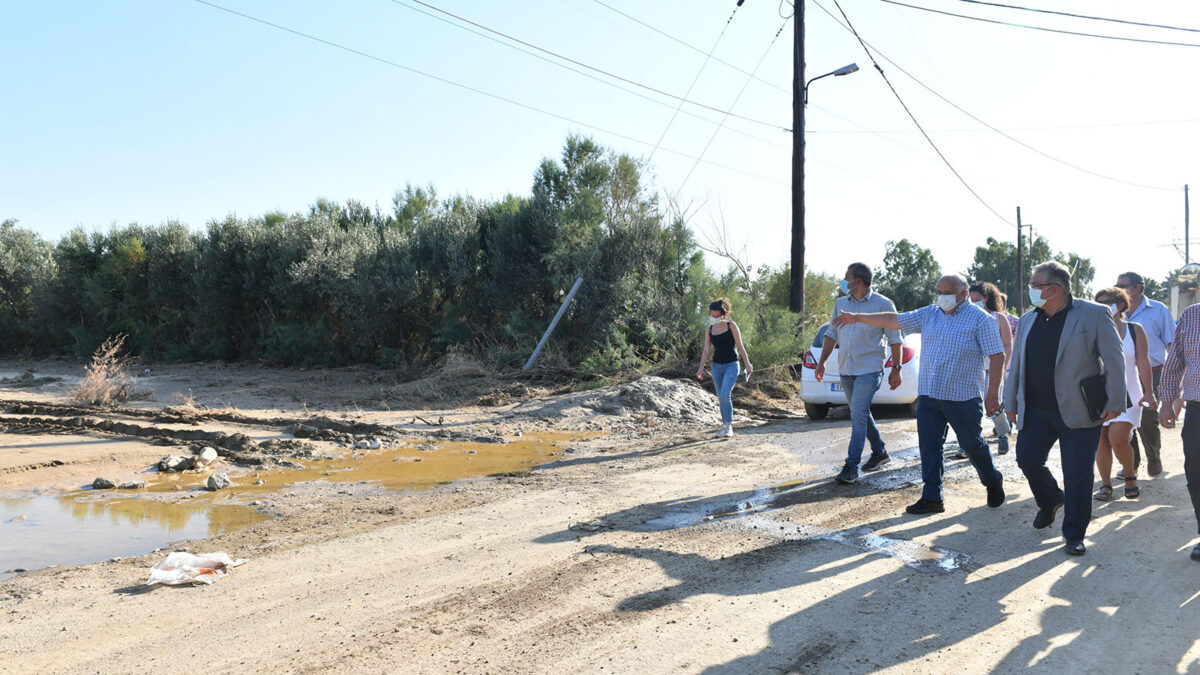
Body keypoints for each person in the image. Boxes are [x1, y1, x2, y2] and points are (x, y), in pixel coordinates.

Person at [832, 274, 1006, 514]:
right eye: (940, 291)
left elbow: (997, 356)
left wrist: (993, 395)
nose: (942, 296)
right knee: (930, 446)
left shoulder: (981, 320)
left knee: (972, 444)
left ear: (963, 294)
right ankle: (932, 496)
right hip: (929, 394)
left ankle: (992, 479)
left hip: (963, 397)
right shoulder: (930, 313)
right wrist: (858, 317)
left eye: (948, 292)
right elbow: (895, 320)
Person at [1004, 262, 1125, 556]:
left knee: (1078, 475)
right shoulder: (1030, 318)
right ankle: (1050, 500)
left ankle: (1074, 533)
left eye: (1036, 286)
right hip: (1036, 409)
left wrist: (1115, 402)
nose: (1031, 291)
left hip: (1080, 408)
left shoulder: (1094, 314)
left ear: (1054, 289)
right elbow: (1016, 363)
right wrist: (1010, 401)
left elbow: (1114, 360)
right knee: (1027, 459)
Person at [815, 263, 903, 484]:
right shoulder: (841, 303)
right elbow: (831, 335)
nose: (844, 281)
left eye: (847, 277)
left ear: (859, 280)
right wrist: (821, 363)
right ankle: (880, 452)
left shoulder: (883, 304)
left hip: (870, 370)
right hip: (846, 369)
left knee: (857, 415)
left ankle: (851, 466)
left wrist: (896, 369)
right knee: (860, 413)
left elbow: (895, 340)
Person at [1091, 287, 1156, 501]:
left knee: (1118, 438)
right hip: (1100, 393)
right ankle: (1106, 484)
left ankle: (1130, 476)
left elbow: (1143, 362)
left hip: (1130, 393)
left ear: (1120, 304)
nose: (1103, 305)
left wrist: (1149, 393)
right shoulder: (1093, 329)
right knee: (1101, 440)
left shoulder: (1134, 329)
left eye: (1107, 301)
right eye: (1098, 302)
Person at [1117, 272, 1176, 477]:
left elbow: (1172, 344)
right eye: (1117, 285)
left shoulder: (1159, 310)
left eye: (1123, 285)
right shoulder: (1114, 312)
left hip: (1152, 373)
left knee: (1148, 419)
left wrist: (1176, 376)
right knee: (1122, 419)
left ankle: (1154, 456)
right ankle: (1131, 463)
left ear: (1138, 288)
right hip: (1122, 375)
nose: (1119, 288)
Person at [1157, 303, 1200, 562]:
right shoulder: (1192, 315)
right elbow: (1174, 362)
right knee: (1196, 472)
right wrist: (1167, 401)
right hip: (1198, 408)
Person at [696, 298, 752, 438]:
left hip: (732, 365)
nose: (714, 317)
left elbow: (740, 346)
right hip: (716, 367)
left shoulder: (731, 326)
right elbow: (706, 350)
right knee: (721, 398)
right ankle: (725, 426)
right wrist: (701, 368)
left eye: (716, 315)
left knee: (724, 395)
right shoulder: (709, 330)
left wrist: (748, 364)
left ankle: (728, 427)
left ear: (723, 313)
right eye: (712, 315)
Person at [970, 282, 1014, 454]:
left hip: (994, 370)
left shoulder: (999, 318)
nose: (974, 303)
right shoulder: (968, 318)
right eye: (971, 300)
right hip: (973, 370)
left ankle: (1003, 435)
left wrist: (1003, 369)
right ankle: (970, 442)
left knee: (994, 405)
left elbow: (1007, 345)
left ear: (987, 299)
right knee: (971, 407)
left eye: (978, 299)